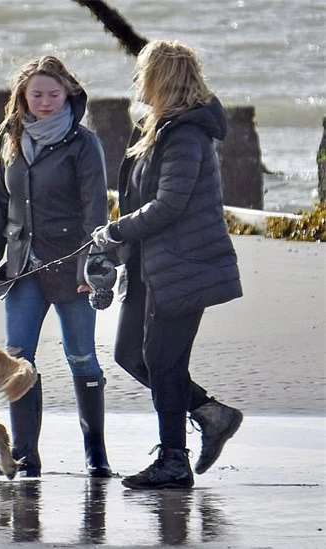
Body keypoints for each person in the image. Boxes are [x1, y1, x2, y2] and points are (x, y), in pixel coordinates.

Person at [90, 40, 243, 489]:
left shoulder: (188, 134)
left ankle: (174, 460)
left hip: (183, 266)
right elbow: (141, 200)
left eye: (143, 73)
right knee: (130, 354)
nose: (137, 81)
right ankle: (212, 414)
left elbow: (170, 205)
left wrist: (115, 232)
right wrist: (118, 251)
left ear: (162, 79)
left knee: (162, 361)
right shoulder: (155, 128)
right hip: (148, 265)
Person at [0, 55, 111, 478]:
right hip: (21, 268)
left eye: (54, 94)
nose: (46, 102)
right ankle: (23, 457)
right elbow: (0, 205)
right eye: (37, 95)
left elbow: (96, 212)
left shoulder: (84, 143)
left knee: (81, 357)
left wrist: (94, 269)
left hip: (73, 269)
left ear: (68, 94)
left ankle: (97, 458)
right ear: (23, 97)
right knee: (18, 360)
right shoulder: (10, 138)